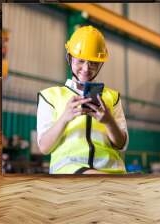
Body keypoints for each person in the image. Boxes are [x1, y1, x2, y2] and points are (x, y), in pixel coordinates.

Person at [36, 25, 128, 174]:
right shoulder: (50, 97)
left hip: (113, 172)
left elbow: (121, 144)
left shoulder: (112, 98)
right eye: (81, 61)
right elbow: (44, 147)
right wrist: (65, 117)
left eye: (93, 62)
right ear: (70, 58)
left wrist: (109, 121)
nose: (86, 68)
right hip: (69, 170)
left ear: (101, 64)